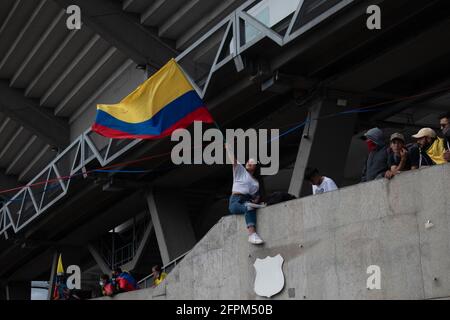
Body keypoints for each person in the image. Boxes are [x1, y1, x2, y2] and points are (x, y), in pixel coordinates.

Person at [225, 143, 265, 245]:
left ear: (256, 167)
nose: (249, 162)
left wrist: (256, 200)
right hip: (235, 201)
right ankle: (252, 235)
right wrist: (228, 148)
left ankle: (256, 208)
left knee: (250, 205)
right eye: (248, 161)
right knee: (249, 207)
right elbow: (233, 160)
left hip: (246, 200)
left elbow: (255, 196)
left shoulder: (256, 183)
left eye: (252, 162)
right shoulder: (240, 170)